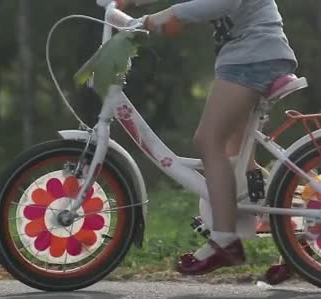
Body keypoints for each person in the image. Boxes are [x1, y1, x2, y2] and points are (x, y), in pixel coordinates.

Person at [120, 0, 298, 275]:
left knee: (208, 140)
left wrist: (170, 13)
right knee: (236, 154)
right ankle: (297, 241)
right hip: (258, 54)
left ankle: (224, 241)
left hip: (251, 58)